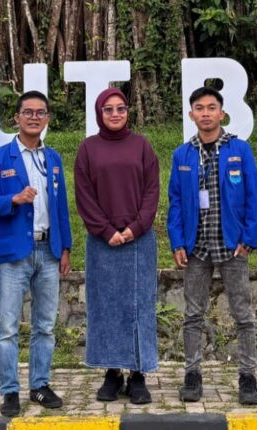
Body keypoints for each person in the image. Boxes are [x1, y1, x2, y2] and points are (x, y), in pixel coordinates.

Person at [167, 86, 257, 405]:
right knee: (193, 314)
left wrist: (249, 238)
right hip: (196, 247)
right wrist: (177, 241)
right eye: (199, 108)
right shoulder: (183, 154)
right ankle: (192, 375)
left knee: (243, 314)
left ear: (222, 113)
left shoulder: (239, 150)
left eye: (211, 107)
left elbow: (254, 196)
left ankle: (248, 377)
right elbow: (175, 202)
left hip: (232, 246)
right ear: (191, 114)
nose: (205, 113)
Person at [0, 91, 72, 416]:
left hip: (49, 250)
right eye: (28, 112)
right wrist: (13, 200)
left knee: (45, 325)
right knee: (8, 328)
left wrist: (65, 247)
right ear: (17, 118)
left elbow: (61, 206)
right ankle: (9, 391)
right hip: (14, 251)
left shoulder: (54, 159)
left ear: (47, 119)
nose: (34, 117)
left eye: (40, 112)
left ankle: (40, 385)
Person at [74, 87, 159, 405]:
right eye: (108, 109)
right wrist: (106, 230)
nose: (114, 114)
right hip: (102, 242)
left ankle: (138, 375)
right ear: (99, 113)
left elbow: (152, 191)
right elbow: (84, 195)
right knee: (106, 308)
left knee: (138, 307)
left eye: (120, 108)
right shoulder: (88, 148)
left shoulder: (142, 146)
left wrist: (135, 228)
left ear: (127, 112)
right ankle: (112, 373)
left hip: (139, 240)